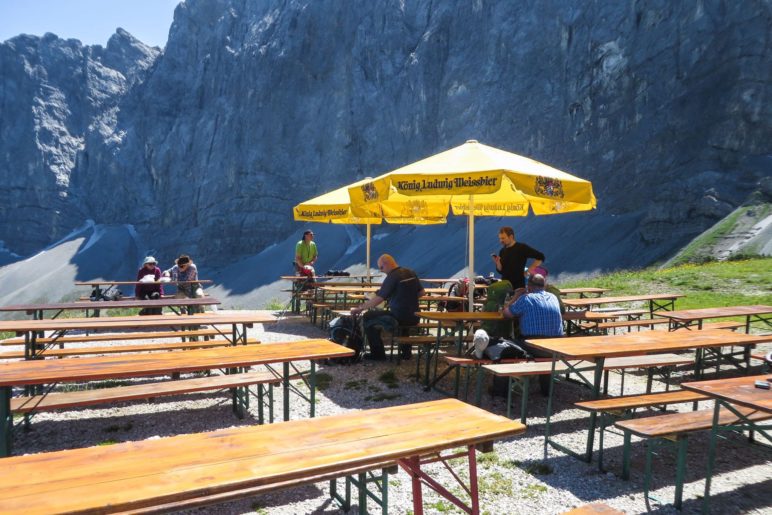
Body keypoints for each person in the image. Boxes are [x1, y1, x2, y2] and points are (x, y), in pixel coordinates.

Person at [350, 254, 425, 360]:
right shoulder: (410, 272)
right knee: (402, 316)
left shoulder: (392, 276)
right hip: (414, 316)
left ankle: (377, 354)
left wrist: (360, 308)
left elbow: (379, 299)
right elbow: (422, 292)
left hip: (399, 316)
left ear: (387, 264)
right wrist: (407, 297)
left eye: (381, 267)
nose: (381, 270)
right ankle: (406, 353)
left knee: (368, 317)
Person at [501, 273, 563, 394]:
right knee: (545, 353)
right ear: (544, 286)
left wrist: (516, 297)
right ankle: (546, 390)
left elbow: (506, 314)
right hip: (556, 346)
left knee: (504, 347)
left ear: (528, 286)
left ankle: (501, 390)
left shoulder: (526, 299)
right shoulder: (553, 297)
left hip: (535, 344)